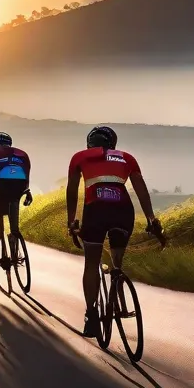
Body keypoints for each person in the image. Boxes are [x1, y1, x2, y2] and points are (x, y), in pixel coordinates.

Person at [66, 125, 160, 338]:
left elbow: (72, 191)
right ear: (113, 143)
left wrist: (71, 221)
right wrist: (151, 218)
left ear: (89, 142)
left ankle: (91, 316)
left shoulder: (80, 157)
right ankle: (117, 283)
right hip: (123, 211)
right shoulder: (127, 157)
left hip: (95, 210)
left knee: (91, 263)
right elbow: (140, 189)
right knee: (117, 260)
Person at [0, 131, 32, 260]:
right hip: (20, 186)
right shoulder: (23, 154)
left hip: (2, 185)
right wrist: (27, 192)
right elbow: (27, 175)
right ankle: (14, 240)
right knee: (13, 220)